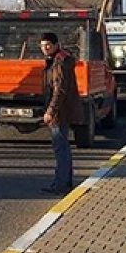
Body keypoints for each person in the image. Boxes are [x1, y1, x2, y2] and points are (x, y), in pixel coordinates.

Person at [40, 32, 78, 195]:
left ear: (56, 45)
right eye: (42, 45)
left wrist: (51, 110)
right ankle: (63, 182)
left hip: (59, 112)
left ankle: (61, 185)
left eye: (48, 44)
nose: (45, 48)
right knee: (63, 148)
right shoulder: (58, 60)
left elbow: (59, 90)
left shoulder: (59, 63)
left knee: (60, 148)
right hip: (62, 110)